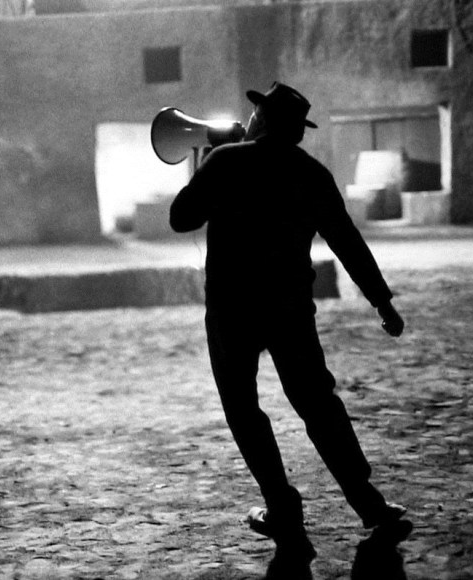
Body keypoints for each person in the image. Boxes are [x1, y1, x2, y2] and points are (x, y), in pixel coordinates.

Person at [169, 82, 408, 560]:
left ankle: (282, 507)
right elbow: (348, 242)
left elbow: (181, 218)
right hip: (290, 307)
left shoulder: (226, 161)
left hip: (232, 309)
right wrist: (382, 302)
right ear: (298, 132)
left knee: (243, 408)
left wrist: (211, 160)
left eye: (255, 113)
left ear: (260, 119)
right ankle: (369, 503)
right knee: (318, 403)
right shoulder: (312, 173)